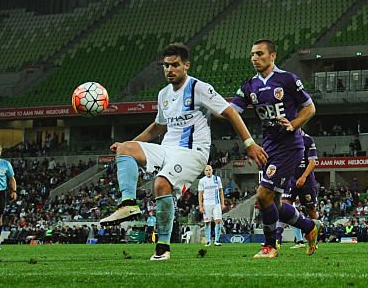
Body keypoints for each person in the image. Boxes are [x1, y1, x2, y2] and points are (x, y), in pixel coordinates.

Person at [99, 42, 268, 261]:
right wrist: (131, 144)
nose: (170, 70)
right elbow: (158, 127)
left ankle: (162, 248)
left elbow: (230, 113)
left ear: (186, 65)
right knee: (124, 149)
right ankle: (129, 204)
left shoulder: (199, 88)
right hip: (168, 149)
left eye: (175, 65)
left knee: (161, 183)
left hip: (193, 153)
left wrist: (249, 143)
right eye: (166, 66)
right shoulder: (163, 94)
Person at [230, 39, 323, 259]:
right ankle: (309, 226)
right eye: (252, 54)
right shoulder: (249, 85)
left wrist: (293, 124)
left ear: (272, 56)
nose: (255, 58)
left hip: (290, 146)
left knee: (263, 196)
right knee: (274, 202)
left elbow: (310, 108)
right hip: (268, 147)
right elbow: (232, 111)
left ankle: (270, 245)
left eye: (260, 54)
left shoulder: (287, 79)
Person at [282, 132, 318, 249]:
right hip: (291, 179)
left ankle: (314, 239)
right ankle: (275, 239)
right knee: (283, 206)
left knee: (311, 209)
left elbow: (313, 162)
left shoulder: (307, 139)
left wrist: (303, 177)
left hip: (306, 180)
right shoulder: (286, 139)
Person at [198, 164, 224, 246]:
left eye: (209, 170)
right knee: (207, 222)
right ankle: (208, 241)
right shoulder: (202, 181)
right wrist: (201, 206)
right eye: (206, 170)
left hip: (216, 203)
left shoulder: (217, 179)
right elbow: (200, 194)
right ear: (204, 172)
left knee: (218, 221)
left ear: (212, 170)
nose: (208, 172)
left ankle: (216, 240)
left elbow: (221, 191)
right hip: (206, 204)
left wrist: (222, 203)